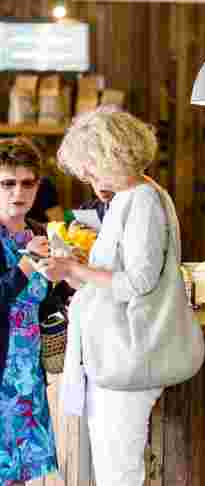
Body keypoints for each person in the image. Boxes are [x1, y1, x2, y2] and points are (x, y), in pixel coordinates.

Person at [40, 108, 166, 486]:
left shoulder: (142, 200)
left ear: (109, 157)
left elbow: (140, 282)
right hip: (111, 353)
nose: (90, 179)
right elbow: (112, 281)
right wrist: (76, 266)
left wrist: (74, 270)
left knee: (119, 473)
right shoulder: (127, 201)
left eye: (90, 169)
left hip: (125, 354)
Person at [0, 137, 62, 485]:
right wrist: (25, 265)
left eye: (27, 183)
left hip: (28, 376)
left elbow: (47, 302)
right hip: (1, 374)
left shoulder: (41, 233)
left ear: (38, 186)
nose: (17, 192)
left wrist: (68, 274)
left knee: (19, 476)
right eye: (7, 183)